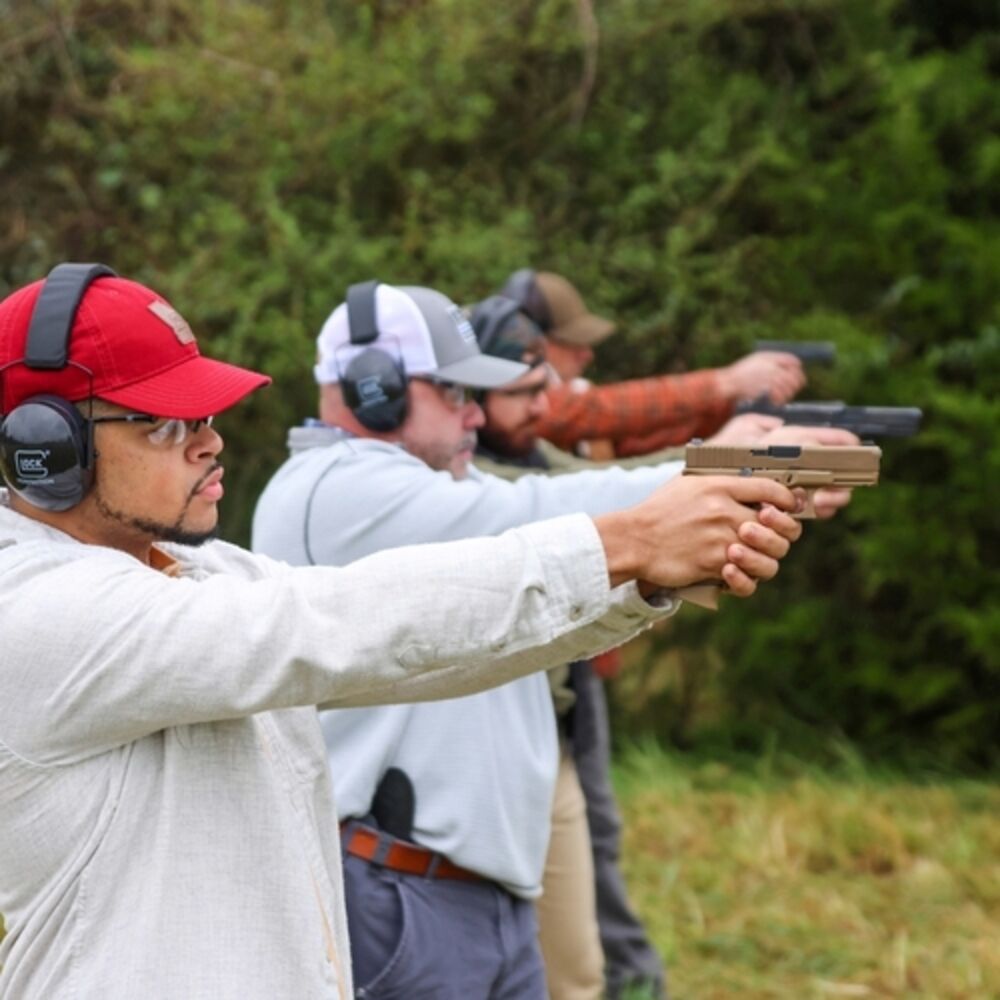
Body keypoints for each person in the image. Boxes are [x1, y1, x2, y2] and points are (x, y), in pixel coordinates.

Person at [0, 264, 803, 1000]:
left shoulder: (195, 570)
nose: (210, 440)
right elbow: (338, 622)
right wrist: (630, 540)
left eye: (203, 414)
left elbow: (421, 663)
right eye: (164, 424)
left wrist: (642, 581)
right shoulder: (38, 609)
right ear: (47, 448)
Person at [251, 280, 807, 1000]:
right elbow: (542, 512)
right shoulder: (335, 486)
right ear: (373, 389)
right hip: (404, 890)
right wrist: (717, 475)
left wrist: (717, 508)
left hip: (472, 893)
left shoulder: (421, 487)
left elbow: (550, 609)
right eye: (454, 391)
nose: (476, 413)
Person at [468, 294, 856, 1000]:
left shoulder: (529, 448)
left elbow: (608, 476)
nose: (544, 402)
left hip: (554, 697)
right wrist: (724, 446)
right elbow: (592, 485)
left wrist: (745, 472)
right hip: (487, 728)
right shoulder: (462, 475)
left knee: (583, 892)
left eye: (542, 384)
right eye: (522, 391)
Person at [499, 269, 807, 458]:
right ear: (533, 340)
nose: (586, 354)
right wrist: (727, 383)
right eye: (572, 341)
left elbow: (640, 440)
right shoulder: (527, 403)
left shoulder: (568, 400)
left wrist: (730, 410)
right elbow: (597, 409)